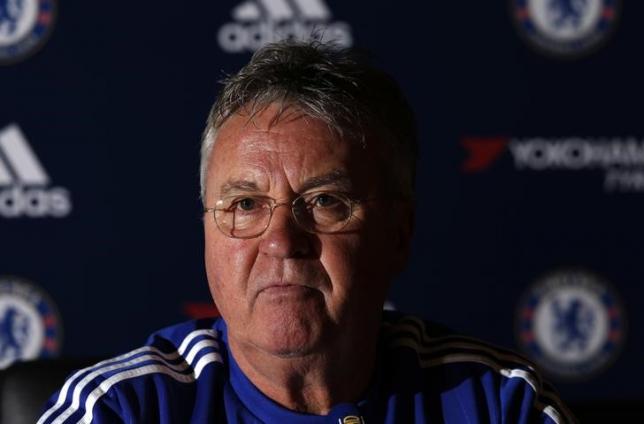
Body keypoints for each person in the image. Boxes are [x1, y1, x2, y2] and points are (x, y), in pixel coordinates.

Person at [38, 40, 575, 424]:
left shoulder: (500, 404)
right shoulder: (120, 410)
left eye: (323, 203)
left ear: (399, 233)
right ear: (206, 230)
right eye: (246, 204)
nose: (281, 241)